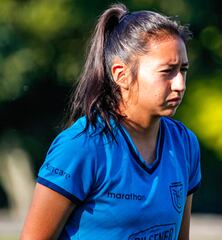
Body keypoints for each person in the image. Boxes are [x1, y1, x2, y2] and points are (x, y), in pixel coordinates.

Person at [20, 2, 201, 239]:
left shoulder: (184, 144)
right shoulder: (81, 147)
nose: (180, 84)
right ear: (121, 74)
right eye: (167, 71)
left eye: (183, 70)